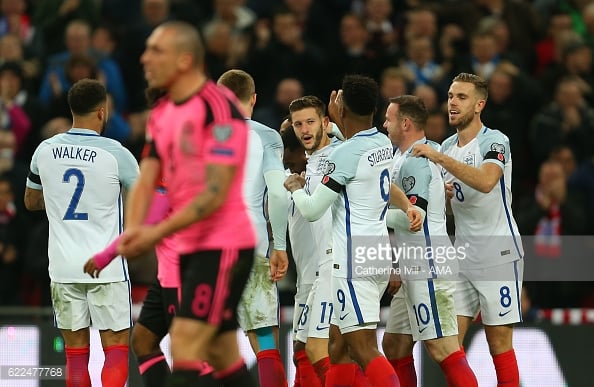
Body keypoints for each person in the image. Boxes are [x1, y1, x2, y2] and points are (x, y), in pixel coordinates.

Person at [117, 21, 263, 387]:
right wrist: (134, 227)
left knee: (184, 342)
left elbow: (214, 193)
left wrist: (154, 233)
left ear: (184, 60)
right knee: (222, 352)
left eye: (156, 50)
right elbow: (148, 175)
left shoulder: (219, 107)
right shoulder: (163, 113)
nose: (144, 57)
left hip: (224, 243)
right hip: (189, 247)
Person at [284, 74, 420, 387]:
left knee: (362, 347)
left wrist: (294, 188)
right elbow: (354, 152)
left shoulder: (344, 154)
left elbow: (313, 209)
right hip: (376, 253)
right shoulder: (381, 143)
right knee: (337, 345)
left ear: (341, 109)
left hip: (350, 260)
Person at [82, 88, 216, 387]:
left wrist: (105, 256)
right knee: (143, 340)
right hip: (168, 274)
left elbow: (145, 226)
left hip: (185, 275)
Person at [24, 78, 139, 387]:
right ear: (102, 112)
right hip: (106, 265)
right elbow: (144, 202)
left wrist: (61, 200)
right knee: (114, 349)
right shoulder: (117, 153)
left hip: (63, 266)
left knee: (75, 355)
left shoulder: (44, 150)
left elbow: (31, 201)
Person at [411, 72, 524, 387]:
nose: (452, 103)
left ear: (479, 104)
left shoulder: (494, 140)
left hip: (498, 253)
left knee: (498, 342)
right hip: (461, 256)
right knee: (447, 345)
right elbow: (454, 205)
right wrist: (444, 200)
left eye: (461, 97)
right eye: (450, 96)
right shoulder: (448, 145)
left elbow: (487, 182)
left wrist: (440, 158)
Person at [381, 95, 478, 387]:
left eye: (389, 119)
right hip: (413, 265)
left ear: (406, 123)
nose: (384, 124)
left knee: (442, 347)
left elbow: (414, 218)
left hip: (429, 265)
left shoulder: (417, 162)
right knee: (394, 345)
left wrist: (369, 216)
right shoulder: (416, 153)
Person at [216, 69, 289, 387]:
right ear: (254, 99)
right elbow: (277, 192)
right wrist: (280, 246)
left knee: (206, 343)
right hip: (253, 244)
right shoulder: (266, 136)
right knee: (265, 343)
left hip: (209, 252)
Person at [287, 95, 342, 386]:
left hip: (335, 267)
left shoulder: (337, 157)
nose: (304, 129)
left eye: (310, 122)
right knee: (304, 348)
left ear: (324, 122)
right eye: (298, 124)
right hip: (313, 271)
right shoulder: (311, 164)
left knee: (320, 348)